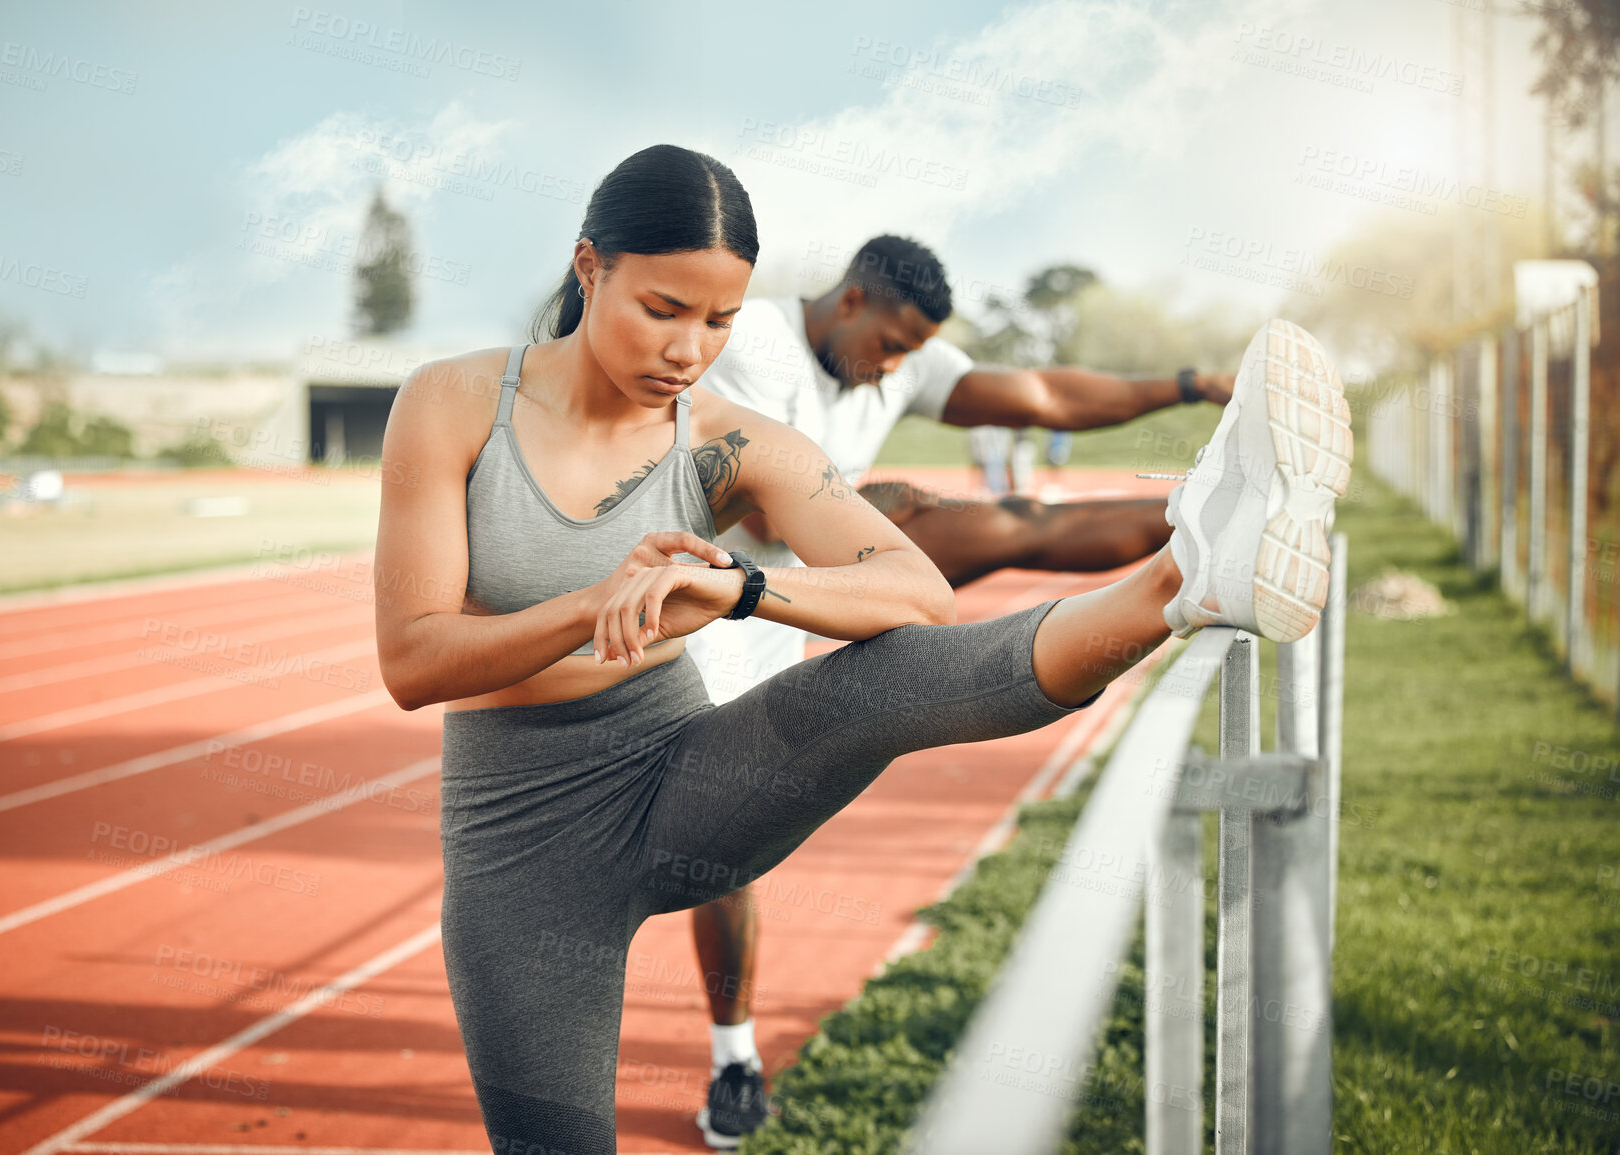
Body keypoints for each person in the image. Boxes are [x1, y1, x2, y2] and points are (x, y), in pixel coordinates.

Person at [373, 143, 1351, 1155]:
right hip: (519, 846)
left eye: (717, 320)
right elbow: (414, 659)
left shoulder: (725, 438)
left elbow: (916, 591)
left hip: (681, 779)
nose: (688, 349)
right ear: (590, 269)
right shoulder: (451, 404)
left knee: (877, 679)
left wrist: (740, 589)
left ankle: (1187, 576)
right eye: (663, 310)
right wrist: (599, 607)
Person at [677, 234, 1237, 1143]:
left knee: (1012, 522)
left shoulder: (894, 355)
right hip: (714, 610)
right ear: (850, 300)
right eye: (890, 347)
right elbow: (741, 494)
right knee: (720, 859)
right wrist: (865, 508)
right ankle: (734, 1054)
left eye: (911, 356)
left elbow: (1045, 395)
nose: (895, 370)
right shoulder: (761, 350)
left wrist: (1190, 384)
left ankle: (1210, 525)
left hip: (811, 588)